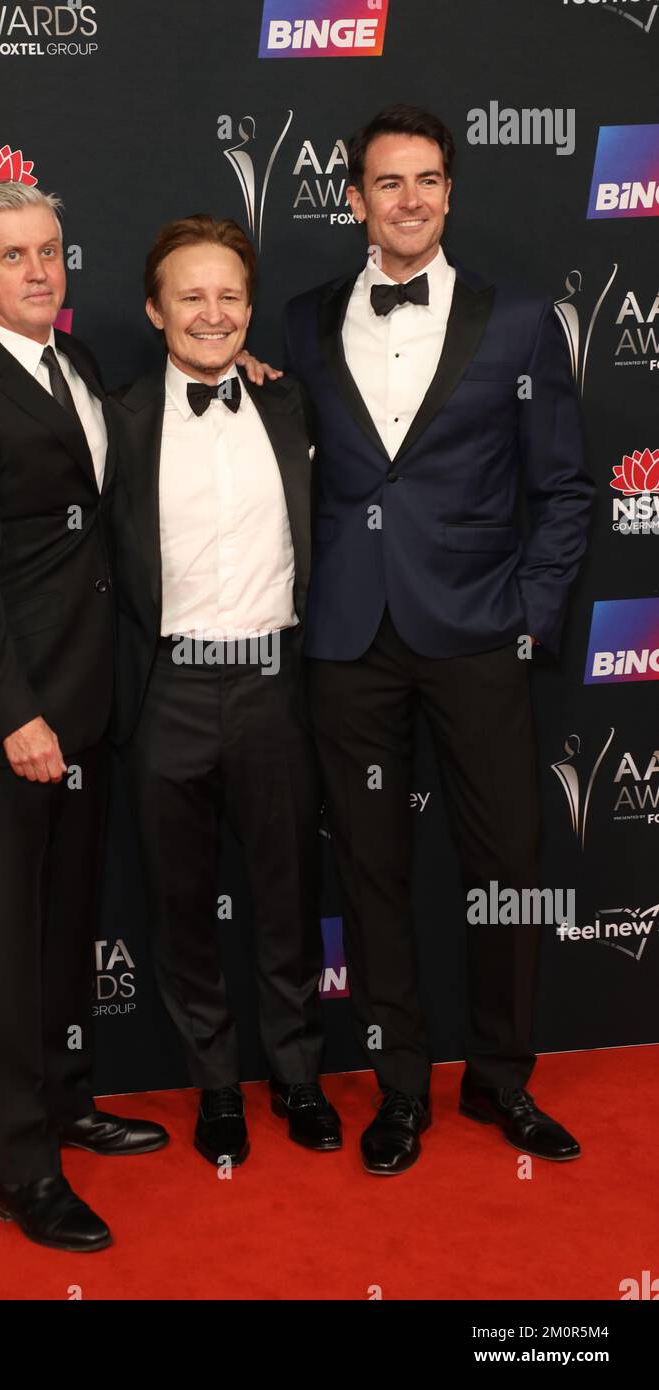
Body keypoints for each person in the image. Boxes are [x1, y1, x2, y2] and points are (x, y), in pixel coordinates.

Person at [284, 104, 595, 1174]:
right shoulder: (301, 322)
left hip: (475, 637)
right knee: (369, 868)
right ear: (354, 198)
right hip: (348, 641)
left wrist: (527, 618)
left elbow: (563, 490)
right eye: (385, 182)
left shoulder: (514, 325)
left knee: (505, 860)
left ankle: (501, 1082)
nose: (406, 200)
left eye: (424, 180)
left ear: (449, 192)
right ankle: (400, 1087)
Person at [0, 180, 168, 1253]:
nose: (41, 270)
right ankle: (22, 1170)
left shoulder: (81, 366)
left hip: (90, 708)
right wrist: (16, 716)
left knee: (65, 934)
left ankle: (65, 1099)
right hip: (5, 729)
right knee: (8, 957)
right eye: (14, 256)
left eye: (50, 250)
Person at [108, 215, 341, 1167]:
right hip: (164, 688)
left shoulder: (295, 406)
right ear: (155, 310)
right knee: (180, 900)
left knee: (289, 890)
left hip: (275, 685)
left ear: (251, 308)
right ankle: (215, 1089)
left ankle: (294, 1074)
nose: (213, 313)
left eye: (230, 296)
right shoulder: (114, 419)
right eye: (191, 296)